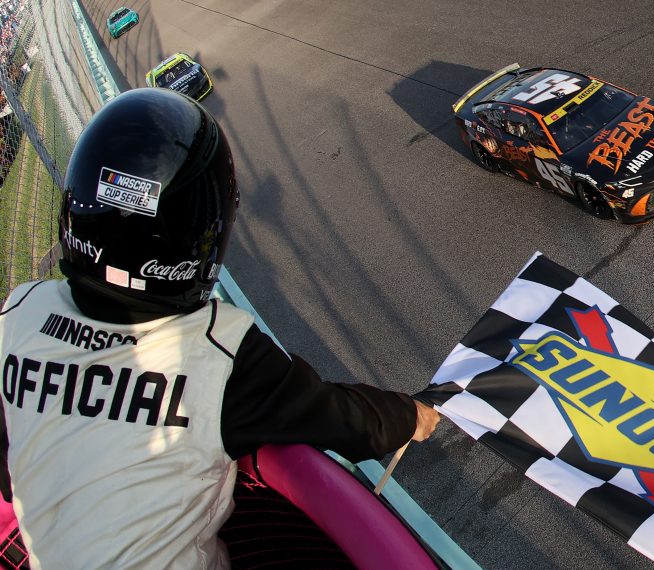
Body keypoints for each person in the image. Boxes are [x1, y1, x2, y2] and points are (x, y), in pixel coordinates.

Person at [0, 88, 440, 568]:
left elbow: (12, 472)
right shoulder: (217, 351)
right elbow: (349, 422)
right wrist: (409, 415)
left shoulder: (19, 312)